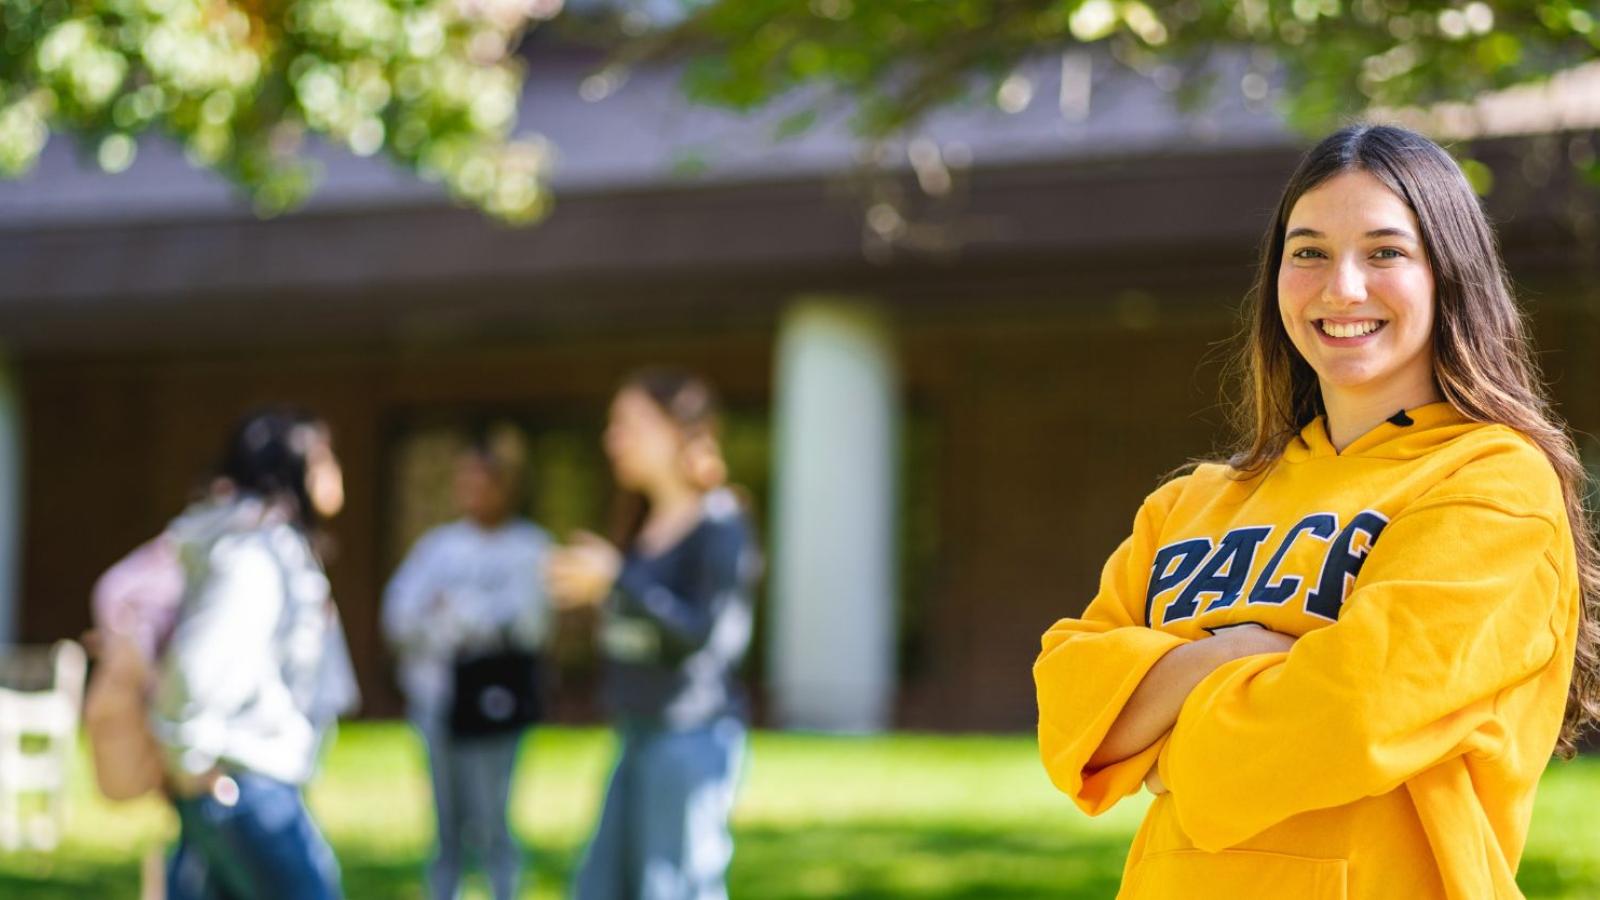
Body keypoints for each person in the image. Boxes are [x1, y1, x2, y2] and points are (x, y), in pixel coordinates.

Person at [1034, 123, 1599, 899]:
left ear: (1450, 274)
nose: (1343, 288)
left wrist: (1160, 746)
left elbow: (1354, 714)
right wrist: (1230, 655)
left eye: (1385, 252)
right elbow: (1069, 695)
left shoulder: (1492, 483)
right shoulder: (1193, 502)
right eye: (1309, 252)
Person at [547, 369, 760, 900]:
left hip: (689, 737)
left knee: (674, 888)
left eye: (629, 423)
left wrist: (618, 580)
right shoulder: (641, 526)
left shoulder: (721, 525)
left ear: (678, 430)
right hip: (635, 734)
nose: (613, 439)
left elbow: (709, 637)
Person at [151, 408, 359, 900]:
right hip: (243, 785)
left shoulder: (272, 548)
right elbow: (197, 666)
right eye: (325, 457)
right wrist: (188, 761)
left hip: (245, 781)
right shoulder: (257, 557)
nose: (335, 472)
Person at [383, 427, 552, 900]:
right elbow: (400, 616)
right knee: (445, 824)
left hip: (496, 704)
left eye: (484, 480)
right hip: (438, 700)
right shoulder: (437, 548)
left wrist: (459, 615)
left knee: (494, 817)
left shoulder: (530, 547)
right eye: (466, 481)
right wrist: (461, 623)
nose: (472, 492)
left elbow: (529, 624)